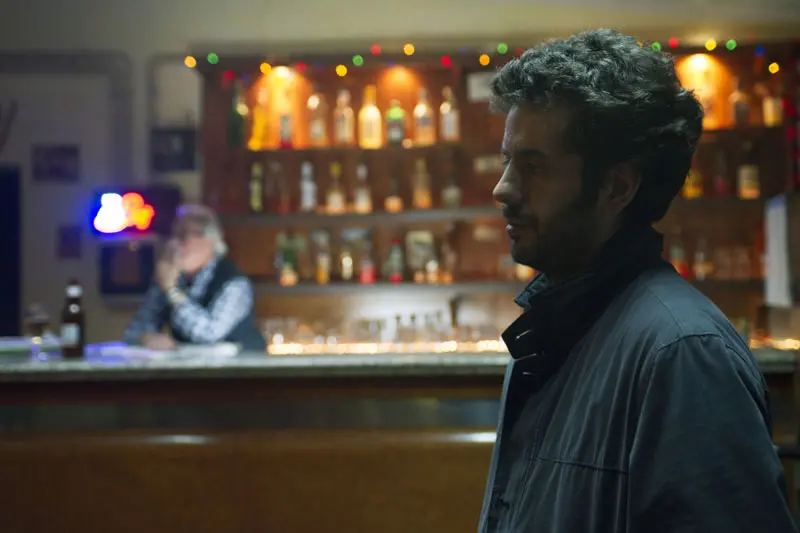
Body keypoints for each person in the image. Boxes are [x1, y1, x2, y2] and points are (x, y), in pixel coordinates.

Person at [480, 29, 797, 532]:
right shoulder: (562, 331)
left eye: (534, 167)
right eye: (507, 161)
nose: (503, 188)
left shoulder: (684, 354)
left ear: (618, 187)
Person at [124, 204, 266, 352]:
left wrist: (172, 292)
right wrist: (145, 337)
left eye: (184, 236)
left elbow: (209, 334)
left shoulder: (234, 283)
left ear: (209, 241)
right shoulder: (170, 278)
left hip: (239, 365)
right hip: (190, 365)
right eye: (174, 235)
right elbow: (134, 330)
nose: (175, 244)